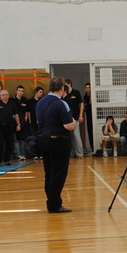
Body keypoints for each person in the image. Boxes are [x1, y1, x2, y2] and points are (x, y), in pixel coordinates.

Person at [37, 77, 77, 213]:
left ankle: (51, 202)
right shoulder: (61, 103)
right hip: (58, 140)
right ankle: (54, 204)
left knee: (49, 173)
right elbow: (69, 125)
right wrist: (74, 122)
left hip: (43, 140)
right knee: (58, 173)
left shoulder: (40, 102)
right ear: (62, 88)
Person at [0, 89, 21, 166]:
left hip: (10, 127)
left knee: (9, 143)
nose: (5, 96)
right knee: (0, 143)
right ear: (0, 96)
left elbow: (16, 115)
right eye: (3, 95)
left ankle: (7, 159)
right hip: (0, 127)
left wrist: (18, 124)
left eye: (6, 94)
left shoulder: (12, 104)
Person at [63, 80, 85, 158]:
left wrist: (80, 115)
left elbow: (81, 103)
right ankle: (72, 152)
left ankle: (80, 153)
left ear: (70, 84)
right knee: (70, 136)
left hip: (75, 117)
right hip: (68, 119)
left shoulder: (76, 92)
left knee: (76, 135)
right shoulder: (64, 96)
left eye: (66, 85)